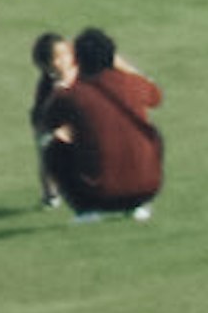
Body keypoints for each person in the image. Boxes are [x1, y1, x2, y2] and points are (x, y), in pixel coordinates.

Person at [41, 36, 161, 224]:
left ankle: (85, 210)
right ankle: (139, 206)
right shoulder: (131, 83)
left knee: (53, 147)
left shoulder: (71, 94)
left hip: (102, 195)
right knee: (149, 135)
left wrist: (63, 84)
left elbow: (49, 122)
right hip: (145, 190)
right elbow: (155, 96)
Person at [27, 46, 74, 213]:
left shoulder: (77, 70)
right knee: (47, 157)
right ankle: (51, 196)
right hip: (48, 123)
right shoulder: (47, 82)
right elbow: (42, 113)